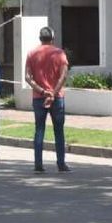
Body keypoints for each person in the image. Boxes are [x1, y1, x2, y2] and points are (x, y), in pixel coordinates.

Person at [25, 26, 70, 173]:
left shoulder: (32, 53)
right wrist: (53, 93)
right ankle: (61, 164)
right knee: (59, 131)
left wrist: (43, 91)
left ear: (40, 38)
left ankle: (38, 164)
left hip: (39, 97)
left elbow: (27, 77)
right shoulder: (59, 53)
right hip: (57, 98)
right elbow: (63, 76)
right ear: (52, 38)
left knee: (39, 130)